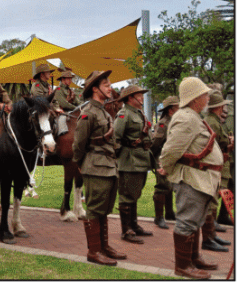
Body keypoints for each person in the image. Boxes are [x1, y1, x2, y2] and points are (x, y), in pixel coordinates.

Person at [160, 77, 220, 279]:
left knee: (195, 221)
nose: (207, 98)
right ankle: (183, 265)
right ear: (195, 98)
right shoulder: (186, 118)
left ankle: (193, 258)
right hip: (192, 179)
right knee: (186, 222)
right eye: (204, 94)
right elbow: (171, 151)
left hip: (200, 179)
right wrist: (166, 169)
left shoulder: (193, 117)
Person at [72, 70, 126, 266]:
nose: (110, 87)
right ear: (95, 89)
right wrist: (81, 163)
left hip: (109, 166)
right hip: (95, 167)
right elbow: (78, 145)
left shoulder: (103, 111)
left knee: (104, 209)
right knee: (95, 210)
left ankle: (104, 246)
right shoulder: (88, 113)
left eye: (109, 84)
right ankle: (94, 251)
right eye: (106, 85)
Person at [113, 85, 154, 244]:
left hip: (140, 160)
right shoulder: (124, 115)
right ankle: (126, 231)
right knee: (126, 196)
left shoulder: (138, 113)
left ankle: (134, 225)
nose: (142, 98)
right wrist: (120, 158)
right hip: (129, 161)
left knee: (135, 194)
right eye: (139, 95)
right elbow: (115, 139)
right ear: (130, 98)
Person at [200, 90, 232, 252]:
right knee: (211, 201)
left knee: (213, 200)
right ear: (218, 107)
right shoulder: (211, 122)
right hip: (212, 166)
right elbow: (212, 145)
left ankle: (211, 235)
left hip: (216, 165)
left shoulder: (214, 121)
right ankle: (208, 238)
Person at [150, 96, 179, 229]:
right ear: (171, 110)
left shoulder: (175, 122)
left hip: (171, 158)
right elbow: (156, 143)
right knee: (162, 185)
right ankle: (159, 217)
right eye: (177, 107)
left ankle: (169, 213)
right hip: (161, 157)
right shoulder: (163, 123)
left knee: (170, 186)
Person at [53, 69, 81, 136]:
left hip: (71, 112)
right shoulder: (58, 89)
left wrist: (83, 106)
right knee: (61, 123)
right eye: (68, 79)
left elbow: (78, 102)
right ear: (63, 79)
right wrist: (76, 108)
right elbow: (64, 104)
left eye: (71, 79)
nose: (70, 80)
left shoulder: (70, 90)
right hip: (61, 113)